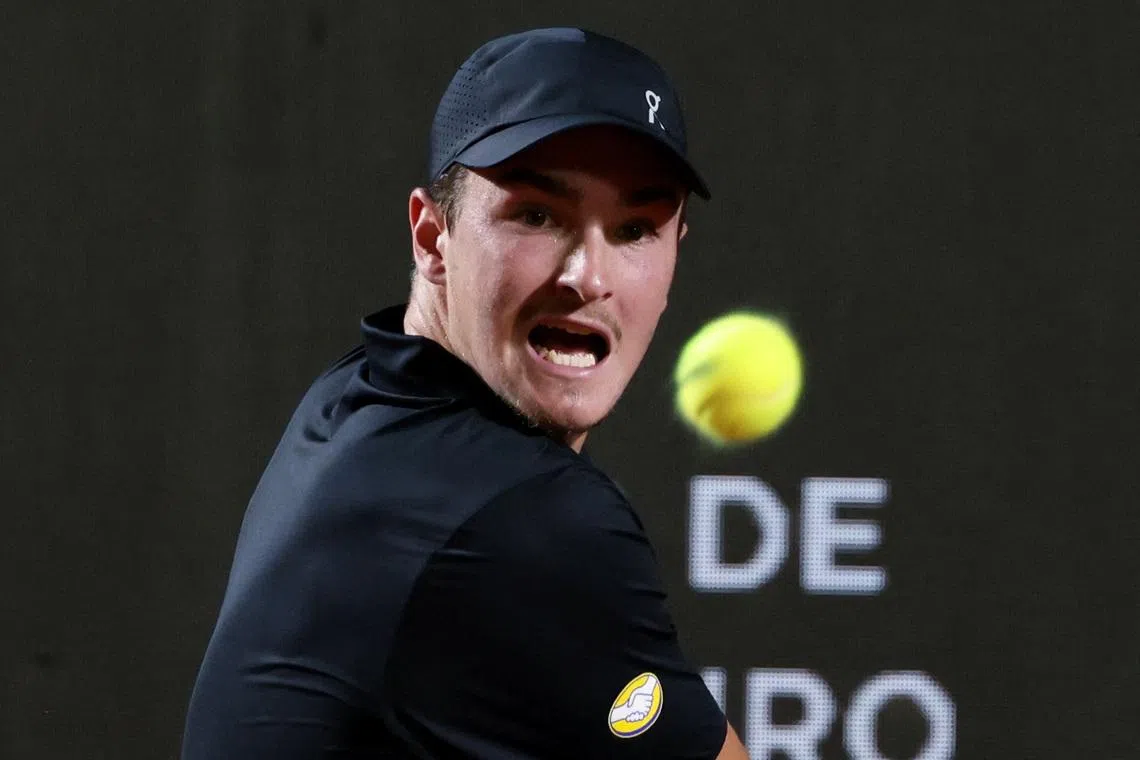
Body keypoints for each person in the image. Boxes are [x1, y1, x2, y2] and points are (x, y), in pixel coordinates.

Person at [182, 26, 749, 759]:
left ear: (676, 253)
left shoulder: (359, 396)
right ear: (432, 237)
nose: (588, 276)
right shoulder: (526, 516)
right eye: (537, 215)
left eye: (635, 228)